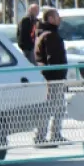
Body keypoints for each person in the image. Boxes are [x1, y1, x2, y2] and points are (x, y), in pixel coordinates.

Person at [32, 8, 68, 144]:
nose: (59, 19)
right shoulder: (50, 35)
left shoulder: (45, 34)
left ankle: (56, 134)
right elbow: (52, 58)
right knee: (50, 107)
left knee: (59, 106)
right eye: (57, 16)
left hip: (53, 77)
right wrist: (57, 73)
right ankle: (40, 136)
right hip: (53, 78)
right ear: (51, 19)